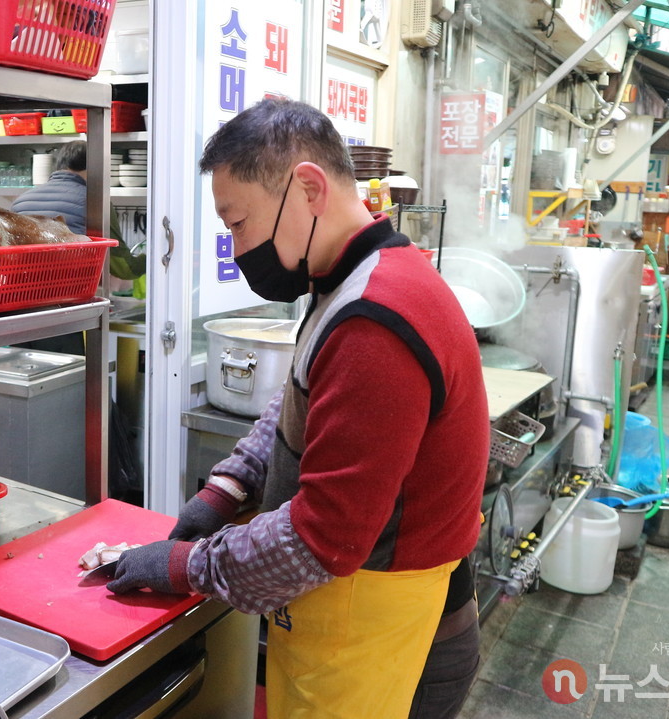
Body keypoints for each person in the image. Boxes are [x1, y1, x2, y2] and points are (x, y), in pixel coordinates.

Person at [105, 100, 489, 718]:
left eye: (238, 223)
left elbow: (322, 540)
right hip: (359, 608)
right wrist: (227, 488)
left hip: (379, 623)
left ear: (307, 187)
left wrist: (185, 565)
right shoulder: (354, 278)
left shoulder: (375, 322)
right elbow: (299, 403)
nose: (237, 248)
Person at [7, 140, 145, 355]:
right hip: (61, 308)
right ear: (95, 168)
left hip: (14, 308)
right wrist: (153, 255)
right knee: (66, 377)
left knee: (28, 374)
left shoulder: (21, 201)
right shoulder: (95, 203)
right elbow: (123, 268)